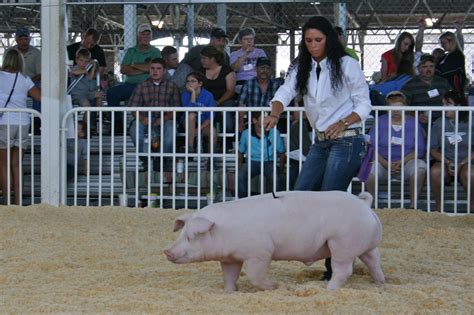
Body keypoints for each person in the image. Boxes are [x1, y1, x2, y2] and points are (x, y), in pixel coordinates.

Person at [264, 16, 371, 281]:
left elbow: (364, 104)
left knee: (329, 200)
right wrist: (275, 113)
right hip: (321, 140)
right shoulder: (301, 66)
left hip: (347, 138)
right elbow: (285, 92)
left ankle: (334, 267)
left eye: (318, 40)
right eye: (309, 40)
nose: (313, 45)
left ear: (329, 40)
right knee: (301, 195)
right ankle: (321, 252)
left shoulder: (348, 64)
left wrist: (344, 121)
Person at [366, 91, 426, 209]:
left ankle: (413, 206)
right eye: (392, 108)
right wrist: (384, 163)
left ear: (406, 107)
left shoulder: (413, 123)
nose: (396, 111)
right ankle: (372, 205)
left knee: (420, 167)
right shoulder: (380, 121)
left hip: (406, 163)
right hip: (382, 163)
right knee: (369, 169)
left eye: (399, 108)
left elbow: (419, 150)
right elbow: (370, 147)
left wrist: (402, 161)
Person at [0, 49, 41, 205]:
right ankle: (17, 201)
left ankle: (6, 201)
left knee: (3, 164)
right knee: (17, 164)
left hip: (5, 123)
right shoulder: (25, 79)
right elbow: (39, 96)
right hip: (23, 122)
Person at [106, 24, 161, 134]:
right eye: (143, 34)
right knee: (111, 92)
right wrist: (146, 68)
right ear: (138, 36)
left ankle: (145, 124)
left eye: (148, 34)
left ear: (151, 37)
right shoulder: (131, 51)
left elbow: (156, 70)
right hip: (130, 86)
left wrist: (135, 65)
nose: (145, 37)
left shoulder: (155, 51)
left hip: (149, 86)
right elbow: (123, 69)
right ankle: (117, 124)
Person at [430, 90, 474, 212]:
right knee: (435, 172)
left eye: (448, 104)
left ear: (459, 106)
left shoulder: (471, 121)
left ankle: (472, 207)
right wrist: (447, 162)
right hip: (446, 161)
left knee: (471, 174)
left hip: (467, 161)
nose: (444, 107)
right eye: (443, 104)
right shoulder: (439, 123)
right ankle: (439, 208)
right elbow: (433, 150)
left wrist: (464, 162)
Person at [127, 58, 180, 155]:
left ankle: (162, 160)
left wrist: (165, 118)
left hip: (166, 119)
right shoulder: (141, 86)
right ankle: (144, 158)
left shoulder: (172, 86)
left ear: (164, 71)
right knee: (135, 128)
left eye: (158, 68)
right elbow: (133, 108)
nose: (155, 71)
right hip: (145, 118)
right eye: (152, 68)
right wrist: (142, 119)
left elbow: (177, 109)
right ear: (149, 70)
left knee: (171, 129)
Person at [238, 111, 285, 198]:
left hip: (269, 162)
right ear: (254, 120)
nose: (267, 119)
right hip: (252, 162)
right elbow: (240, 152)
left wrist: (281, 170)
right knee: (240, 176)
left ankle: (272, 203)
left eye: (267, 117)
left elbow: (282, 152)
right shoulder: (246, 133)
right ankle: (243, 203)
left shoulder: (275, 132)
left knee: (275, 178)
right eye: (263, 117)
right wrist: (239, 167)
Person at [200, 45, 236, 149]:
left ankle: (228, 144)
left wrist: (218, 102)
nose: (201, 61)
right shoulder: (200, 71)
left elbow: (230, 91)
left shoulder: (227, 70)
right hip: (206, 101)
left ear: (212, 59)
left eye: (204, 58)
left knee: (227, 115)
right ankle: (204, 143)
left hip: (224, 100)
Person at [6, 26, 42, 133]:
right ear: (16, 40)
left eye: (26, 39)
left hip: (32, 82)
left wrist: (27, 82)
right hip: (13, 82)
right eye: (21, 39)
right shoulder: (10, 52)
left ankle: (36, 122)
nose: (23, 41)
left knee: (39, 92)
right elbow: (6, 70)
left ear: (29, 39)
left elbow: (40, 73)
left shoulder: (36, 53)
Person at [401, 54, 451, 124]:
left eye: (431, 66)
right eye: (425, 67)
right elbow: (403, 105)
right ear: (418, 68)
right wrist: (416, 116)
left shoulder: (443, 83)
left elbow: (452, 102)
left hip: (442, 120)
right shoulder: (410, 85)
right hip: (419, 121)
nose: (428, 69)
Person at [238, 57, 281, 131]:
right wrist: (241, 122)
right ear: (256, 69)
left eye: (267, 68)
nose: (264, 70)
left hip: (271, 121)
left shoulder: (276, 85)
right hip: (252, 121)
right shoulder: (248, 84)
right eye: (262, 68)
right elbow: (242, 104)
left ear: (270, 70)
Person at [181, 71, 217, 153]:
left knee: (213, 132)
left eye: (192, 81)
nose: (189, 83)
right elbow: (189, 111)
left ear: (200, 83)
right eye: (188, 81)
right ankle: (190, 148)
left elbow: (210, 116)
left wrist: (199, 129)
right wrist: (193, 93)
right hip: (187, 122)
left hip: (204, 123)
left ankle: (211, 159)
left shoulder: (208, 95)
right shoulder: (185, 94)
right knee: (192, 115)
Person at [68, 48, 101, 134]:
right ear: (76, 60)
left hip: (87, 93)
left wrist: (93, 67)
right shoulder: (74, 68)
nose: (83, 63)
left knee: (98, 94)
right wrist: (86, 69)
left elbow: (89, 78)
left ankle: (99, 112)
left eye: (86, 61)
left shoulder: (86, 70)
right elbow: (75, 72)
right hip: (77, 94)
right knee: (87, 106)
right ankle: (84, 127)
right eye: (81, 60)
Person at [230, 27, 267, 93]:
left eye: (251, 39)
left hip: (257, 80)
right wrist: (246, 53)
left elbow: (265, 67)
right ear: (240, 41)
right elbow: (235, 69)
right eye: (246, 39)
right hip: (242, 81)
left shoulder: (260, 52)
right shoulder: (235, 54)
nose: (249, 41)